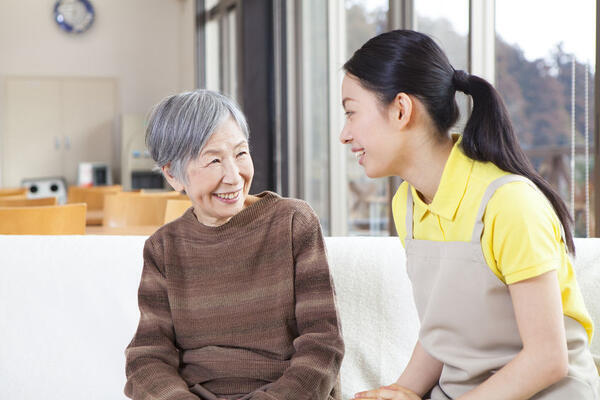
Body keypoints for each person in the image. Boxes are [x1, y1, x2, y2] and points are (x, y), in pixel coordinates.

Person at [340, 30, 598, 400]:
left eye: (351, 112)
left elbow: (547, 359)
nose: (344, 134)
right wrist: (400, 391)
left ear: (401, 109)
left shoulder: (510, 204)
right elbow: (443, 330)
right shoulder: (407, 204)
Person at [124, 89, 344, 400]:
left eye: (241, 154)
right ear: (172, 174)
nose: (234, 176)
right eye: (213, 160)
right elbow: (148, 357)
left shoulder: (292, 222)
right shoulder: (164, 248)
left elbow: (323, 343)